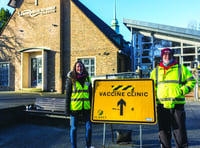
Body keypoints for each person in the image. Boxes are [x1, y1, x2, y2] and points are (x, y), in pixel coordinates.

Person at [150, 48, 196, 148]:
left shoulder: (181, 68)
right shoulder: (155, 71)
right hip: (161, 106)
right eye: (165, 55)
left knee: (180, 133)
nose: (167, 56)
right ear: (162, 57)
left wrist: (182, 91)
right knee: (163, 133)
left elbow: (192, 81)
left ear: (172, 56)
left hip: (177, 105)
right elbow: (151, 87)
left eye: (169, 54)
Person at [65, 60, 92, 148]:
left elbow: (90, 93)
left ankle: (88, 146)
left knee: (89, 128)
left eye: (81, 66)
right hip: (75, 108)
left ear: (83, 68)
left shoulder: (88, 78)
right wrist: (67, 110)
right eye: (77, 67)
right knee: (74, 129)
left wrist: (93, 106)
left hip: (86, 107)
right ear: (75, 68)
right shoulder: (71, 79)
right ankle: (74, 147)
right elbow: (68, 95)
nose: (79, 68)